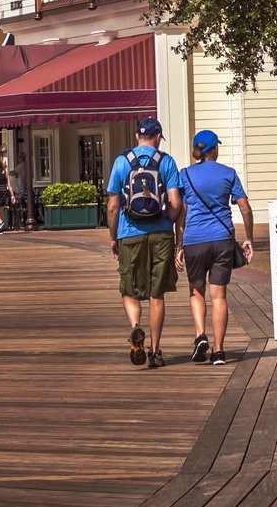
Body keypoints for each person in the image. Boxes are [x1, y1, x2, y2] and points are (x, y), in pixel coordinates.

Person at [105, 118, 182, 368]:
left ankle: (135, 328)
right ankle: (156, 351)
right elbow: (176, 203)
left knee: (129, 290)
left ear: (137, 137)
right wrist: (168, 222)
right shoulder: (166, 161)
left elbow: (113, 206)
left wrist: (113, 237)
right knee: (156, 295)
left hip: (130, 232)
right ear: (158, 136)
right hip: (160, 233)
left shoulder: (121, 161)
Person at [179, 130, 254, 366]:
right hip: (222, 240)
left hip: (194, 240)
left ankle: (201, 335)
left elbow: (181, 213)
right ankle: (219, 351)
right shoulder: (228, 174)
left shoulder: (185, 175)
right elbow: (245, 209)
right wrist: (248, 238)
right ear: (214, 149)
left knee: (196, 291)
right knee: (219, 295)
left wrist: (178, 244)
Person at [6, 161, 28, 231]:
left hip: (20, 194)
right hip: (15, 194)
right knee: (14, 209)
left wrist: (20, 192)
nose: (14, 174)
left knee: (21, 208)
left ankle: (22, 222)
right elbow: (10, 186)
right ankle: (14, 224)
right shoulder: (12, 178)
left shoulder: (20, 177)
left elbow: (21, 186)